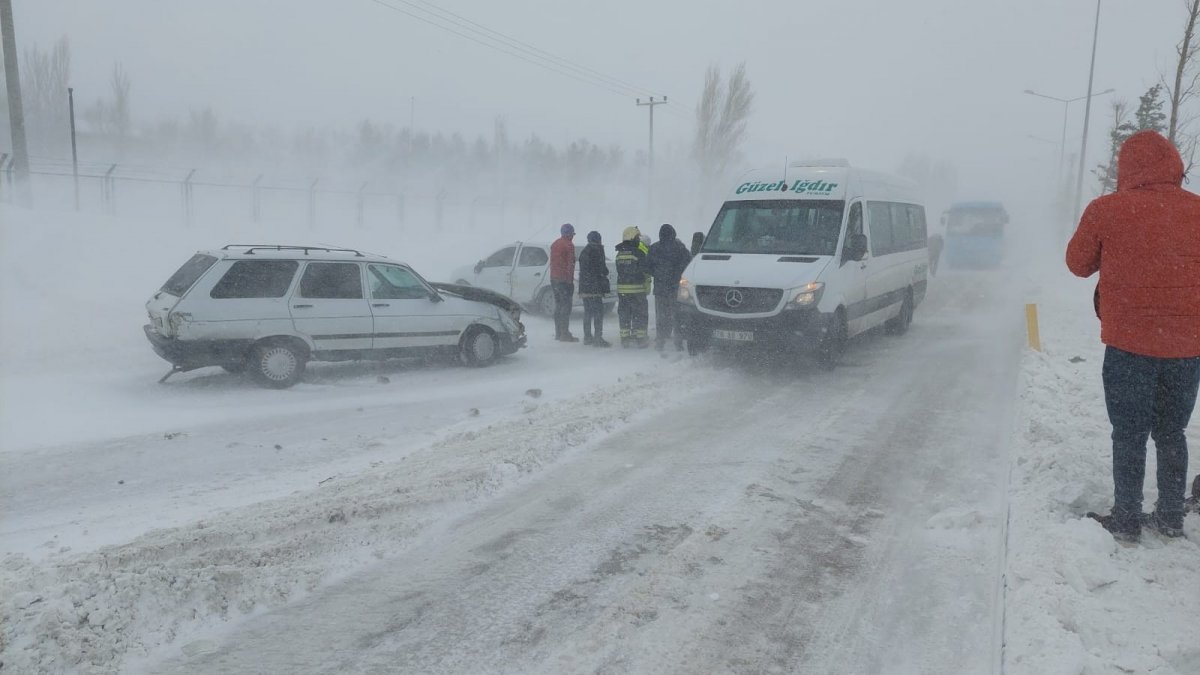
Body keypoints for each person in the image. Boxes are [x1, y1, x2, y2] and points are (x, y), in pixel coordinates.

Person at [1066, 130, 1200, 541]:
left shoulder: (1106, 209)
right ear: (1174, 164)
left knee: (1129, 434)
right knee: (1172, 433)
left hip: (1129, 347)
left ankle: (1126, 519)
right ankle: (1171, 517)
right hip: (1186, 349)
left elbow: (1077, 264)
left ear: (1126, 168)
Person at [647, 223, 692, 350]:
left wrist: (657, 274)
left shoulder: (654, 248)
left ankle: (660, 341)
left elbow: (646, 266)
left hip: (660, 288)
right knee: (677, 315)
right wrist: (677, 275)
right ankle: (678, 342)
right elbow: (688, 263)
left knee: (661, 316)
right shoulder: (680, 247)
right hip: (675, 288)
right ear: (673, 234)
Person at [614, 226, 651, 348]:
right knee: (640, 313)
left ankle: (624, 337)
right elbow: (645, 270)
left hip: (622, 290)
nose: (638, 240)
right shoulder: (638, 252)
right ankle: (641, 338)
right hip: (637, 290)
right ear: (631, 237)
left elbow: (620, 270)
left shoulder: (619, 253)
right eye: (637, 237)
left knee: (624, 313)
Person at [578, 230, 611, 347]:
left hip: (584, 286)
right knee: (598, 313)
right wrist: (605, 272)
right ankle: (598, 338)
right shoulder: (598, 250)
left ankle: (587, 337)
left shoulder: (584, 251)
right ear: (599, 240)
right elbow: (602, 269)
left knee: (588, 312)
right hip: (595, 287)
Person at [550, 223, 578, 342]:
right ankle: (564, 333)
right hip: (564, 280)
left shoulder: (555, 244)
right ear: (569, 234)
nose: (573, 236)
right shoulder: (569, 245)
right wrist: (569, 281)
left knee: (558, 306)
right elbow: (570, 265)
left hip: (554, 279)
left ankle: (558, 332)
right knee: (566, 307)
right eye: (572, 234)